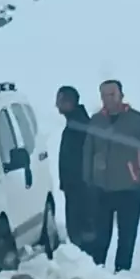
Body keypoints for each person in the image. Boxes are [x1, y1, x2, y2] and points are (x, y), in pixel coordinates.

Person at [82, 79, 140, 272]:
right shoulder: (97, 120)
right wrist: (89, 179)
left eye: (112, 94)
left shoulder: (138, 121)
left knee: (127, 235)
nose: (108, 99)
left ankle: (121, 273)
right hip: (102, 188)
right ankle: (97, 271)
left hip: (129, 189)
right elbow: (88, 150)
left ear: (121, 95)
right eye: (104, 95)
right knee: (100, 235)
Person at [55, 85, 94, 256]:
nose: (57, 105)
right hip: (74, 187)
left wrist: (79, 182)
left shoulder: (80, 126)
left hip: (82, 187)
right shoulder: (74, 123)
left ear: (70, 102)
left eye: (60, 101)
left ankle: (86, 262)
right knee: (77, 229)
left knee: (81, 228)